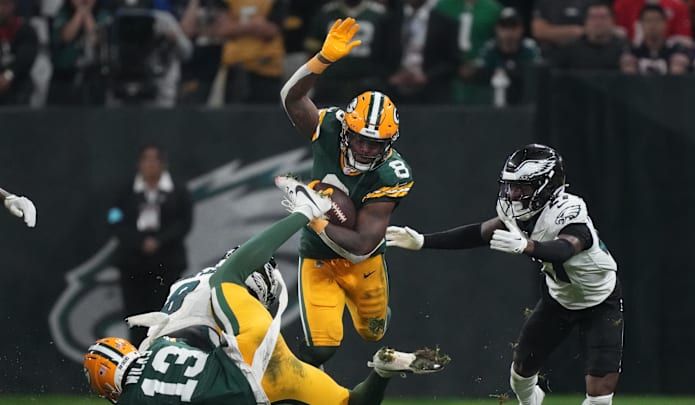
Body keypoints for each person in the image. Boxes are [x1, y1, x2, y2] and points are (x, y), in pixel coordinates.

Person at [84, 176, 449, 404]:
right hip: (248, 347)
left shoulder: (152, 353)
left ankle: (303, 212)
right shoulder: (175, 327)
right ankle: (383, 371)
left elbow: (224, 282)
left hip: (237, 361)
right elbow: (230, 275)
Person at [386, 144, 623, 405]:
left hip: (600, 302)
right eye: (511, 185)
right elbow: (478, 233)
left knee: (600, 397)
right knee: (519, 376)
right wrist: (423, 241)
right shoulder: (518, 215)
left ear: (547, 186)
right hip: (558, 299)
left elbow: (566, 248)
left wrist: (527, 246)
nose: (514, 193)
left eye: (523, 187)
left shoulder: (569, 210)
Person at [280, 17, 416, 369]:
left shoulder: (393, 173)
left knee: (374, 332)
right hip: (319, 258)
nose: (368, 148)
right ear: (346, 128)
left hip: (363, 260)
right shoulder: (328, 127)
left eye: (376, 143)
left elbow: (362, 244)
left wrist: (314, 218)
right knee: (323, 347)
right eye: (360, 138)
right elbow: (290, 97)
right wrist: (321, 60)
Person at [108, 143, 194, 346]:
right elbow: (114, 218)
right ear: (139, 164)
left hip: (166, 264)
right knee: (136, 318)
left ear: (164, 164)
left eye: (155, 161)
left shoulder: (178, 192)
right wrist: (138, 242)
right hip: (132, 264)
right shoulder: (125, 191)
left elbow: (184, 222)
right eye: (146, 160)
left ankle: (163, 356)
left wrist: (160, 241)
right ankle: (136, 358)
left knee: (165, 316)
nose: (150, 165)